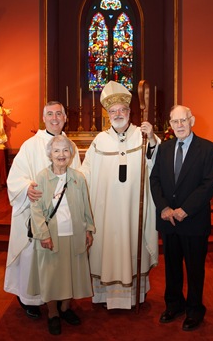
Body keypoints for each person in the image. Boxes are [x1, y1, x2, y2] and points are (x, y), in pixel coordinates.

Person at [80, 80, 161, 310]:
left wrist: (153, 140)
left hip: (134, 208)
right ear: (108, 114)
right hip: (105, 210)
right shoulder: (100, 140)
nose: (118, 114)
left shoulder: (142, 136)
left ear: (129, 112)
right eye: (113, 111)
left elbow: (157, 164)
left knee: (132, 244)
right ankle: (105, 296)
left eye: (122, 110)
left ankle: (135, 294)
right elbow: (86, 171)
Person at [4, 101, 81, 319]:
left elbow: (78, 178)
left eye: (59, 114)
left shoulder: (70, 146)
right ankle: (30, 299)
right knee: (33, 258)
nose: (55, 118)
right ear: (44, 118)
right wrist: (26, 187)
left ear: (65, 118)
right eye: (50, 114)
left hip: (63, 217)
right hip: (35, 214)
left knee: (61, 260)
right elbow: (15, 177)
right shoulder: (30, 145)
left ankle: (61, 304)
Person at [150, 105, 213, 331]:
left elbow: (208, 184)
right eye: (174, 121)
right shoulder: (164, 148)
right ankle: (174, 305)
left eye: (183, 120)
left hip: (194, 220)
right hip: (169, 220)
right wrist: (164, 208)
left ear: (192, 120)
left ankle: (195, 309)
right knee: (171, 267)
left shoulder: (207, 148)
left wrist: (184, 209)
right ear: (169, 124)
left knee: (195, 268)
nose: (179, 125)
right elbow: (155, 179)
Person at [27, 135, 95, 335]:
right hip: (51, 237)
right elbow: (36, 210)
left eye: (65, 150)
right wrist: (44, 235)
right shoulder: (41, 178)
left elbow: (85, 206)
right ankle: (53, 314)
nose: (61, 154)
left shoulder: (78, 177)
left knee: (72, 274)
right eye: (56, 150)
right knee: (51, 276)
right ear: (50, 154)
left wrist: (89, 229)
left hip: (75, 234)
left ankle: (65, 309)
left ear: (71, 154)